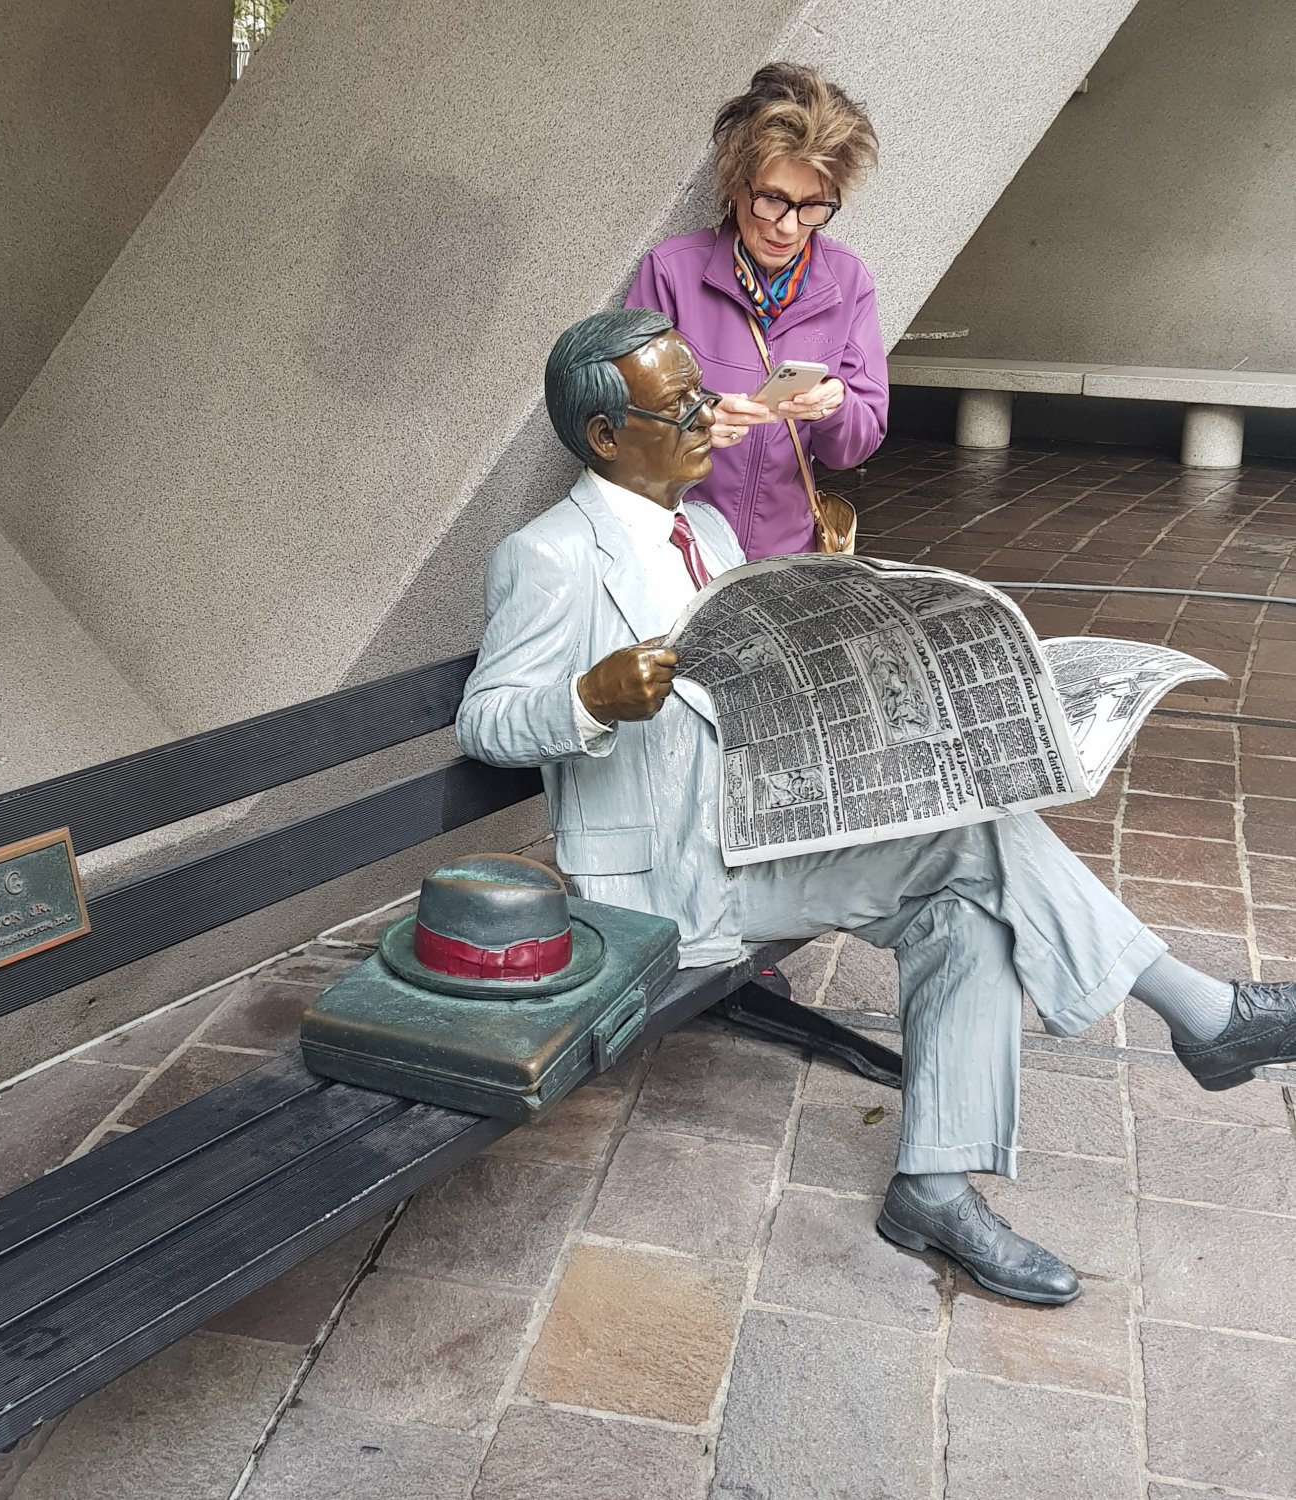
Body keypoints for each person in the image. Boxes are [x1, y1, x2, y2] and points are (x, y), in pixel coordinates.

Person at [457, 308, 1296, 1306]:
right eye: (678, 403)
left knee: (965, 903)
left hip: (768, 826)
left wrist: (844, 604)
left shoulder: (712, 529)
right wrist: (589, 700)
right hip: (666, 880)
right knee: (972, 844)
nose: (706, 414)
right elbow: (486, 720)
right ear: (605, 435)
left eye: (700, 391)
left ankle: (936, 1189)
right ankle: (1201, 1014)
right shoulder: (549, 556)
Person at [625, 63, 887, 559]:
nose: (788, 227)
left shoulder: (848, 281)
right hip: (680, 552)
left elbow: (857, 444)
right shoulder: (672, 273)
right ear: (736, 185)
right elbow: (621, 421)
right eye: (772, 199)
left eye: (813, 206)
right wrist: (698, 420)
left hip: (785, 560)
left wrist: (834, 406)